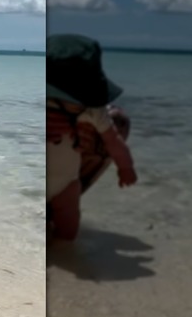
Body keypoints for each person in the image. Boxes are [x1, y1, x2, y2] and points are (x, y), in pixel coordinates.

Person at [46, 34, 138, 247]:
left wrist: (126, 167)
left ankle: (64, 252)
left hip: (66, 183)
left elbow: (113, 140)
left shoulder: (93, 111)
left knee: (68, 229)